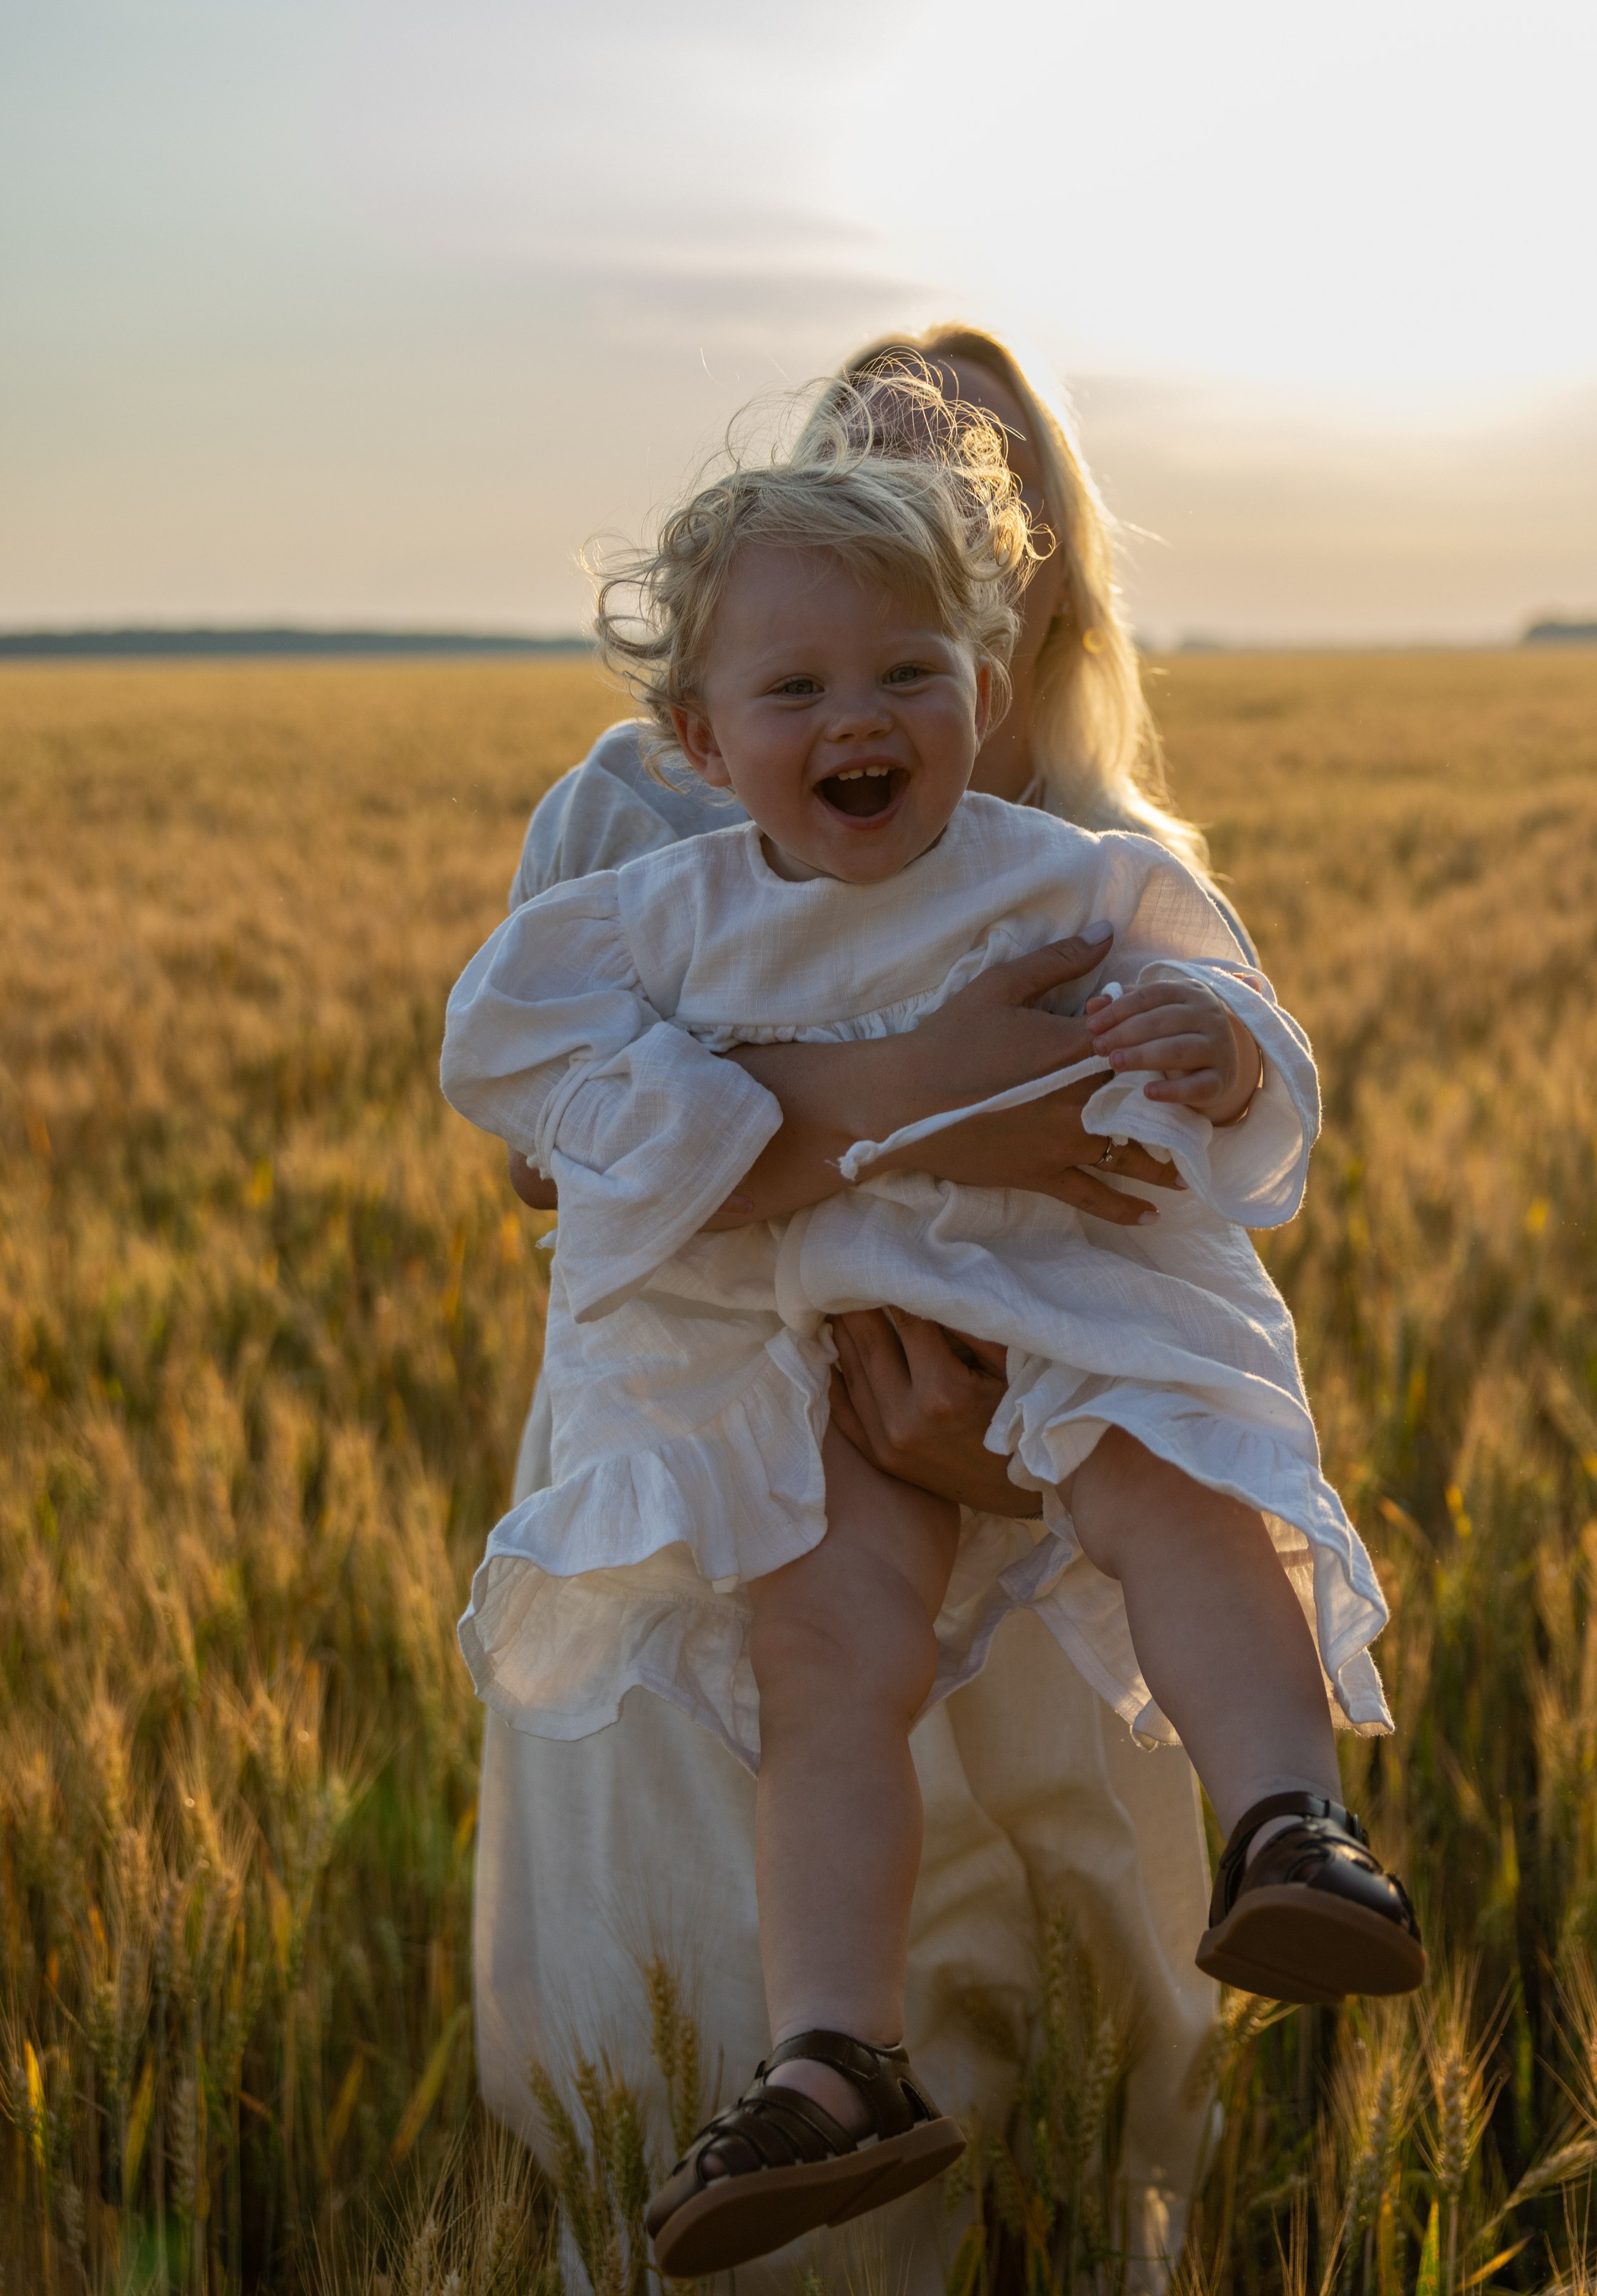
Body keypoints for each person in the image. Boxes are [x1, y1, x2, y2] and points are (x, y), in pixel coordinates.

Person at [447, 385, 1420, 2279]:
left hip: (1042, 1351)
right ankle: (829, 2050)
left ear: (991, 651)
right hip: (789, 1372)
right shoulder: (652, 881)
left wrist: (1219, 1051)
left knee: (1171, 1486)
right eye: (796, 685)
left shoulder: (1071, 866)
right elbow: (526, 1093)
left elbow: (1224, 1017)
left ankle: (1288, 1823)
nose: (855, 716)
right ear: (699, 731)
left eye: (908, 665)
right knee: (822, 1651)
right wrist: (883, 1094)